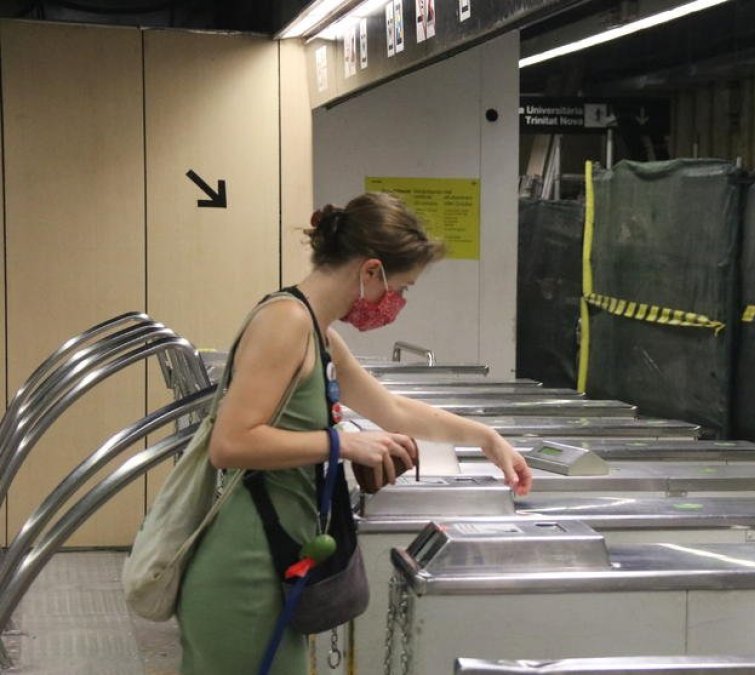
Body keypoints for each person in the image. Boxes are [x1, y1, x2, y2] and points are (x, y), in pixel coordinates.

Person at [176, 192, 533, 673]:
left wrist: (486, 437)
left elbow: (391, 409)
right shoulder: (285, 322)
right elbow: (230, 443)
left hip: (278, 557)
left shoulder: (318, 333)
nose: (397, 303)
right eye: (401, 288)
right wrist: (343, 443)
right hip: (245, 569)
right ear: (371, 271)